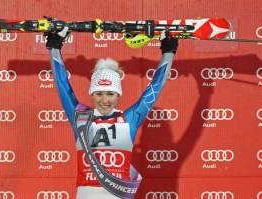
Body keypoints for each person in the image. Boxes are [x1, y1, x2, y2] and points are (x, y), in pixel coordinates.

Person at [45, 27, 178, 199]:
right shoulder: (80, 116)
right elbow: (62, 84)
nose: (104, 100)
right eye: (99, 94)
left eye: (110, 94)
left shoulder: (128, 120)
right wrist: (54, 46)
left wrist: (168, 51)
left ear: (118, 95)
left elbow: (155, 88)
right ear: (92, 94)